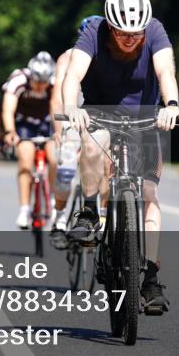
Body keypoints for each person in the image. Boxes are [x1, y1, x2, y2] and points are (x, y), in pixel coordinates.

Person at [60, 0, 179, 314]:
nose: (130, 38)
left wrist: (171, 104)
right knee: (91, 143)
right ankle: (88, 212)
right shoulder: (92, 33)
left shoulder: (156, 31)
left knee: (148, 195)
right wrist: (72, 106)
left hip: (145, 119)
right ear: (110, 26)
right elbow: (73, 74)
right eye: (122, 32)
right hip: (101, 113)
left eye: (136, 32)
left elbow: (165, 71)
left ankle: (151, 280)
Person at [50, 15, 104, 241]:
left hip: (99, 118)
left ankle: (103, 216)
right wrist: (59, 128)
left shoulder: (108, 56)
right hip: (71, 118)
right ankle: (60, 216)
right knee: (66, 169)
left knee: (107, 168)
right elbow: (56, 98)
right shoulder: (68, 57)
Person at [2, 52, 57, 229]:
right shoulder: (18, 80)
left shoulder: (55, 83)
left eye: (44, 82)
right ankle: (25, 209)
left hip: (47, 122)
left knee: (55, 157)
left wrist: (61, 133)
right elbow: (8, 109)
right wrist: (10, 131)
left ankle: (55, 203)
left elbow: (59, 108)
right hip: (24, 123)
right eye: (37, 82)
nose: (40, 87)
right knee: (25, 160)